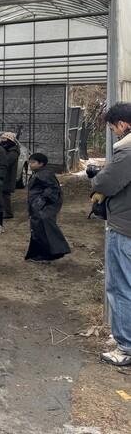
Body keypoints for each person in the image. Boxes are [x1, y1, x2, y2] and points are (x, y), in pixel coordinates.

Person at [90, 102, 131, 367]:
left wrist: (96, 179)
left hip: (125, 227)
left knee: (121, 286)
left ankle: (125, 346)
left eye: (113, 127)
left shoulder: (128, 152)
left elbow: (106, 182)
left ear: (123, 124)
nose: (114, 132)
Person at [25, 153, 70, 263]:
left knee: (44, 229)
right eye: (30, 162)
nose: (30, 164)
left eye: (33, 162)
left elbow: (52, 189)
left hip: (43, 208)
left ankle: (48, 254)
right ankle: (39, 254)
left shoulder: (44, 174)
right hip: (39, 207)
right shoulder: (40, 173)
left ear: (41, 164)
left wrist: (41, 201)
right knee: (38, 229)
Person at [0, 132, 21, 219]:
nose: (3, 141)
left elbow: (7, 161)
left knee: (5, 194)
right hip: (4, 175)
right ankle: (4, 211)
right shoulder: (7, 149)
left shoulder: (13, 151)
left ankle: (8, 213)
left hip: (8, 176)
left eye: (5, 139)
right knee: (2, 194)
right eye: (2, 139)